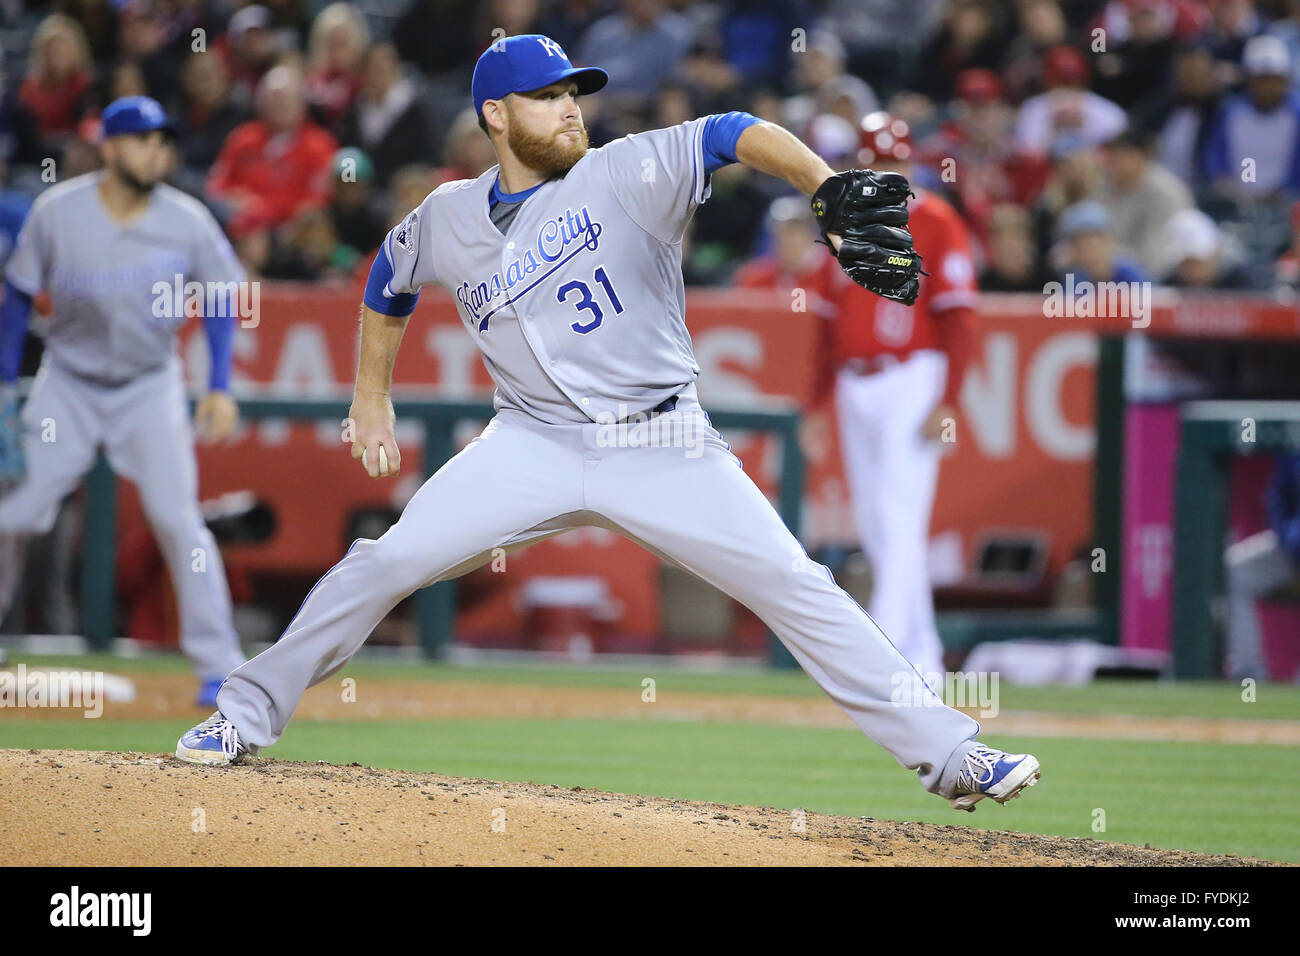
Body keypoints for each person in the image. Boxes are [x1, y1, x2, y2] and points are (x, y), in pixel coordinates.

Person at [176, 34, 1041, 814]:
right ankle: (244, 717)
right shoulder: (447, 215)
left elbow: (732, 130)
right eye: (550, 95)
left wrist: (820, 184)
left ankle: (952, 755)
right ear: (495, 115)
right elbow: (388, 280)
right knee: (388, 559)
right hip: (529, 442)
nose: (569, 108)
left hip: (661, 439)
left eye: (574, 93)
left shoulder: (626, 169)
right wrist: (370, 392)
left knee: (795, 582)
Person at [0, 96, 247, 706]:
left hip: (149, 385)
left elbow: (221, 299)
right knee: (16, 515)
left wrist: (218, 385)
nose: (156, 151)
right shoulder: (58, 212)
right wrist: (6, 387)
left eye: (163, 141)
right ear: (109, 146)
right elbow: (16, 299)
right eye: (142, 139)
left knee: (178, 519)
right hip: (69, 383)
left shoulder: (187, 219)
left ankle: (222, 669)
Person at [823, 112, 978, 686]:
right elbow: (825, 320)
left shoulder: (936, 220)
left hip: (914, 376)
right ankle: (924, 657)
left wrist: (949, 401)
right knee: (875, 521)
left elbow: (959, 318)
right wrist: (818, 400)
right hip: (854, 381)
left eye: (893, 163)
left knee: (898, 513)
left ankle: (884, 656)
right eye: (873, 163)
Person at [1224, 454, 1300, 683]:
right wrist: (1290, 539)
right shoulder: (1294, 445)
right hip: (1290, 550)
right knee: (1234, 570)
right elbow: (1277, 498)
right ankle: (1248, 672)